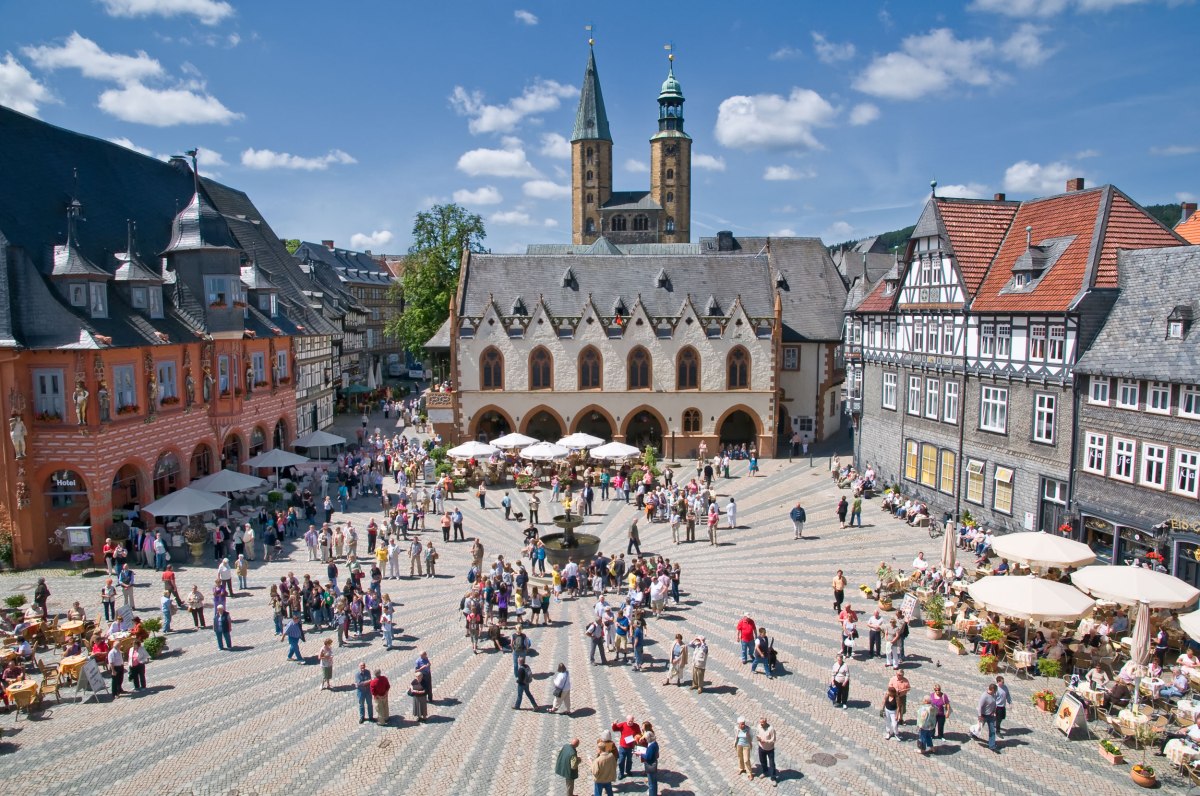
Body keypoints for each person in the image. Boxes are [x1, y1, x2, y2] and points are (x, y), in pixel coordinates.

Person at [611, 715, 641, 779]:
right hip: (623, 746)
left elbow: (639, 734)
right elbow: (615, 729)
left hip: (631, 746)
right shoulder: (623, 725)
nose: (631, 722)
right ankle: (621, 773)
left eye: (632, 721)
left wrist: (636, 738)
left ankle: (628, 770)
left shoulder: (636, 726)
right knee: (621, 761)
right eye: (629, 721)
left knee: (629, 760)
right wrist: (614, 724)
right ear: (626, 720)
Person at [977, 683, 999, 752]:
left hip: (991, 716)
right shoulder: (984, 696)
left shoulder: (994, 695)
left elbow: (994, 703)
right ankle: (972, 733)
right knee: (979, 727)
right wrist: (980, 715)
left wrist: (994, 711)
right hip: (984, 715)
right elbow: (980, 706)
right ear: (992, 689)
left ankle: (991, 745)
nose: (995, 692)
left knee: (992, 730)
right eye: (995, 691)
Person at [755, 717, 778, 783]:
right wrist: (758, 738)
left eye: (762, 723)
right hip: (761, 747)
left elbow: (773, 740)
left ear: (766, 722)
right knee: (762, 761)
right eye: (760, 722)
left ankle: (773, 778)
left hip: (770, 749)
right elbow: (757, 733)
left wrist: (765, 741)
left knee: (772, 764)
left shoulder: (771, 729)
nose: (761, 724)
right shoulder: (759, 726)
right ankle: (765, 772)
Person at [640, 725, 660, 796]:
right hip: (654, 763)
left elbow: (647, 757)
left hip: (650, 765)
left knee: (651, 783)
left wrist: (641, 753)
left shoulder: (651, 746)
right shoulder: (655, 743)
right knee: (654, 782)